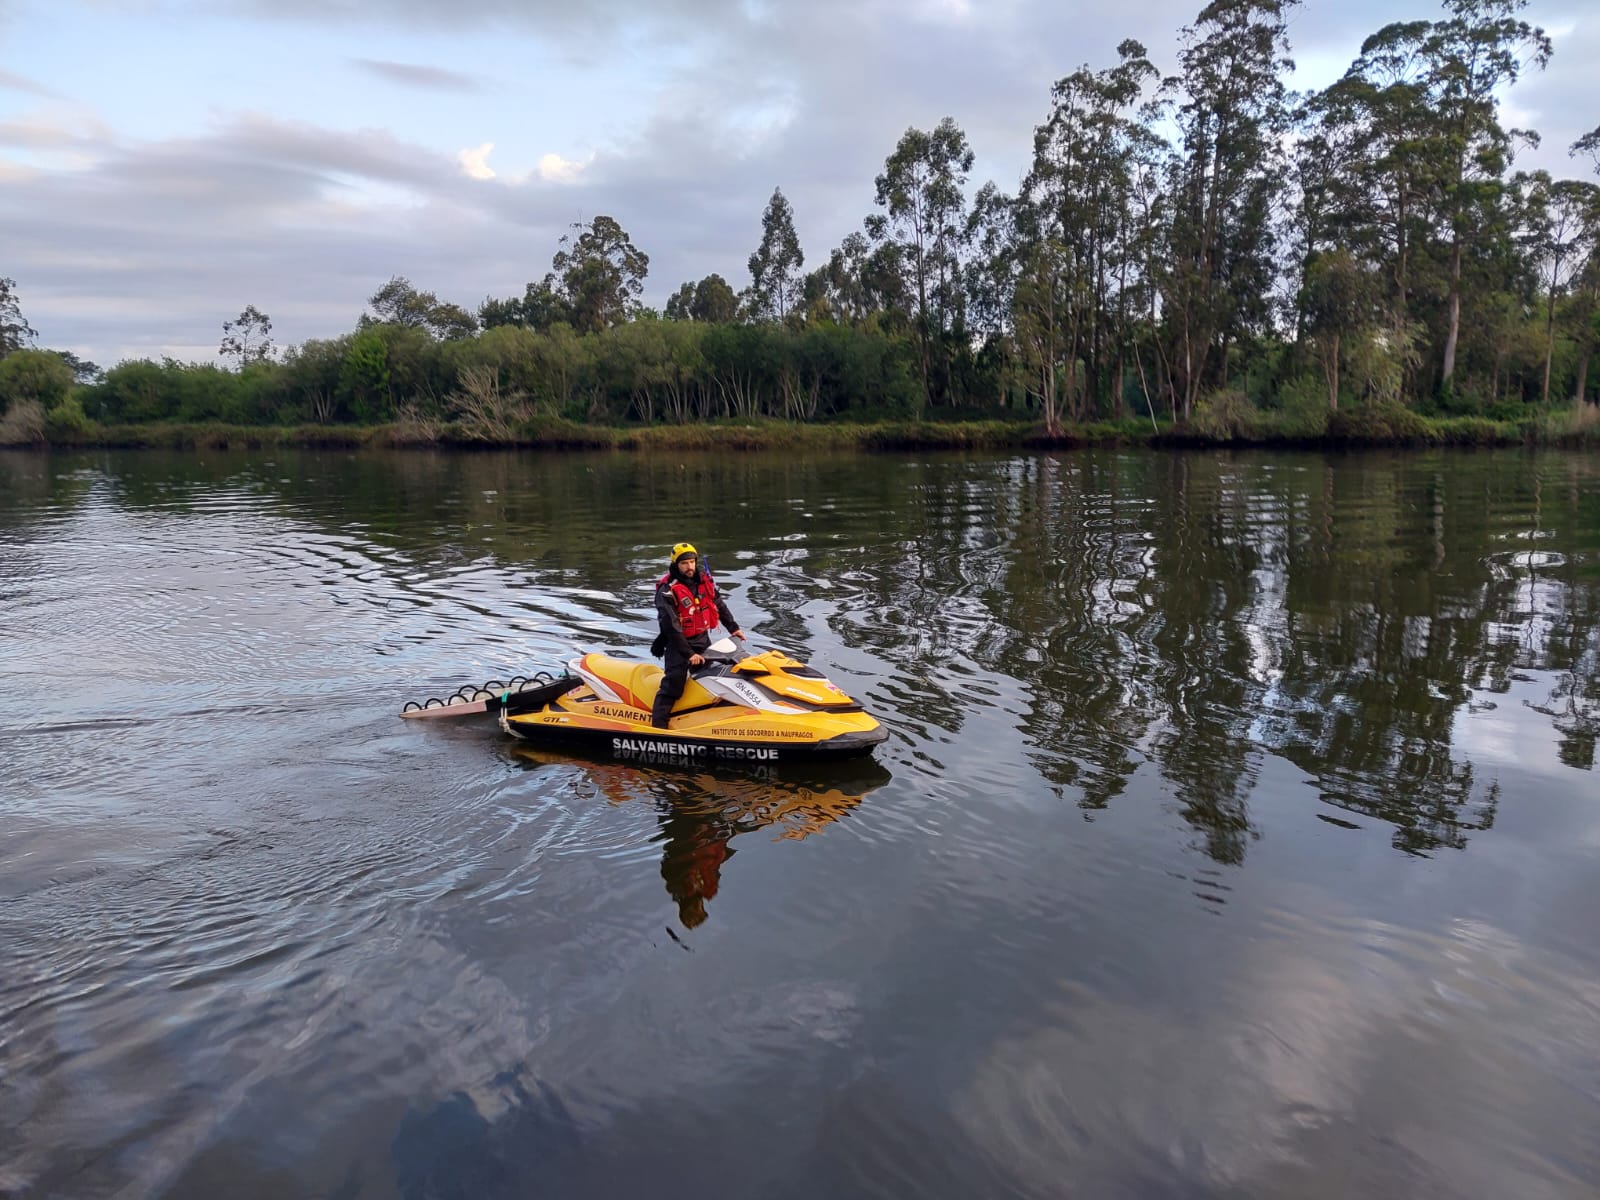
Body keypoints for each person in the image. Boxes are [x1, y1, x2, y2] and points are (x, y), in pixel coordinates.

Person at [650, 542, 745, 728]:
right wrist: (688, 654)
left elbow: (719, 604)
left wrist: (733, 628)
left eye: (692, 562)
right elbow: (671, 625)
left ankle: (703, 720)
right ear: (676, 564)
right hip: (678, 643)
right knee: (673, 685)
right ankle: (658, 727)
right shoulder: (667, 589)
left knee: (710, 680)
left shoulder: (703, 581)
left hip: (702, 639)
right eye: (684, 563)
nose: (690, 567)